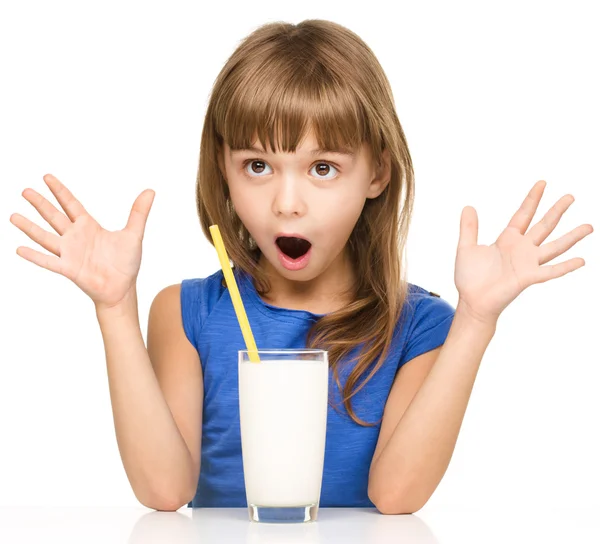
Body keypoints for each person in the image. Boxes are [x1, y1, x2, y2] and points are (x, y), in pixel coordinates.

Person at [9, 19, 593, 515]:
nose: (287, 202)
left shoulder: (421, 326)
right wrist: (114, 309)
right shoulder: (184, 313)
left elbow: (396, 497)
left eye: (323, 168)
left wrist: (476, 322)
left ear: (377, 174)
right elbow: (164, 491)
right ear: (224, 169)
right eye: (258, 165)